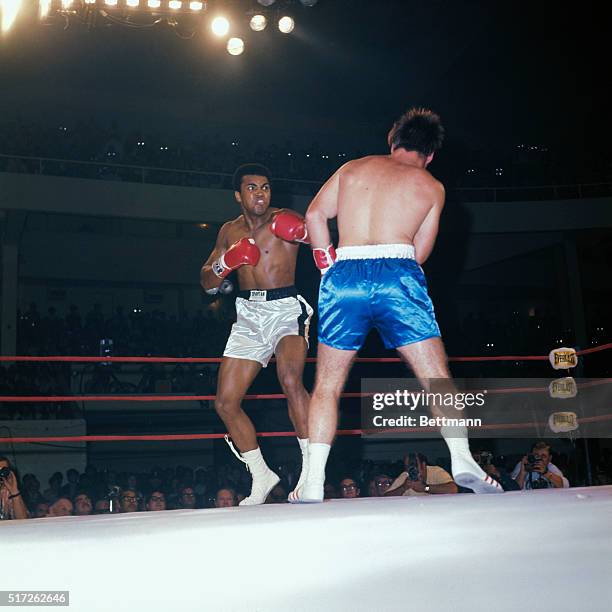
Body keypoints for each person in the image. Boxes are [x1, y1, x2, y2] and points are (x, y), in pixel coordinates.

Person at [297, 107, 503, 501]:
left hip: (345, 274)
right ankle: (461, 457)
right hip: (399, 272)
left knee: (327, 384)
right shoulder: (431, 186)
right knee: (435, 376)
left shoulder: (352, 169)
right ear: (430, 155)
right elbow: (420, 253)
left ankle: (311, 481)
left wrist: (327, 265)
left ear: (393, 139)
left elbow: (314, 215)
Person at [200, 163, 314, 505]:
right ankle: (261, 474)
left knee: (291, 380)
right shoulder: (228, 231)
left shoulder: (285, 218)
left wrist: (306, 235)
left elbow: (324, 243)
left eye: (265, 187)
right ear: (238, 195)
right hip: (247, 313)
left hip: (285, 308)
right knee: (225, 402)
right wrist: (226, 262)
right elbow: (207, 282)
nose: (260, 193)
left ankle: (312, 470)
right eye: (252, 188)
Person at [384, 453, 458, 496]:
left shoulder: (436, 471)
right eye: (408, 467)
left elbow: (453, 489)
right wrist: (403, 487)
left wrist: (425, 488)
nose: (411, 470)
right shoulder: (405, 476)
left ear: (423, 465)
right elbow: (386, 498)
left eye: (415, 466)